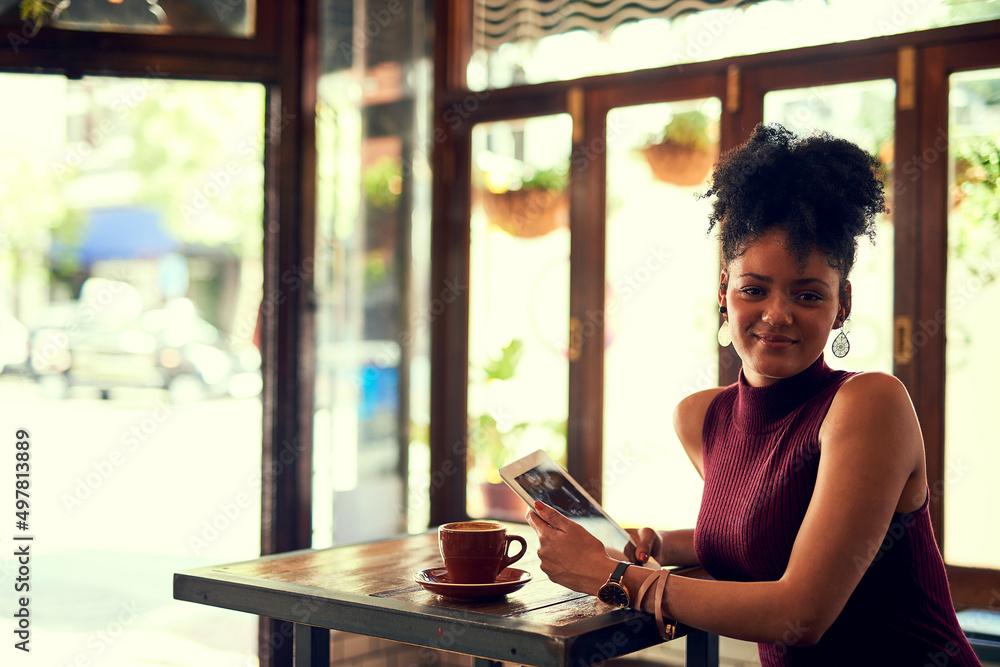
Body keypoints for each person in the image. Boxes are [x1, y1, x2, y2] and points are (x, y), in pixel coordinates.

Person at [525, 123, 980, 666]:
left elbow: (801, 615)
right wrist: (665, 545)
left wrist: (616, 576)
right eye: (753, 290)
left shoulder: (869, 405)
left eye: (807, 294)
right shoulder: (701, 417)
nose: (777, 315)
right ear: (725, 293)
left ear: (843, 303)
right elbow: (769, 527)